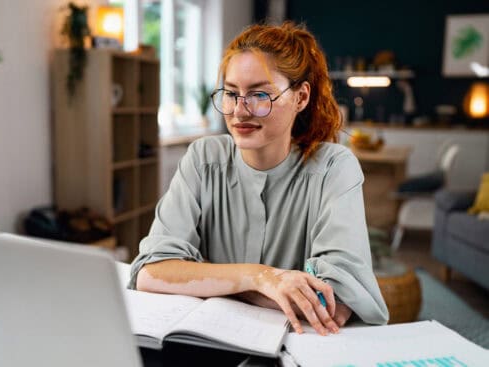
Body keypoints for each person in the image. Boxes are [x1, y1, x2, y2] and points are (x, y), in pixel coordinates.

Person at [129, 22, 389, 335]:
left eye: (259, 94)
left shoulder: (334, 167)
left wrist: (206, 280)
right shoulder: (203, 158)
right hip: (210, 342)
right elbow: (150, 273)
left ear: (300, 97)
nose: (239, 111)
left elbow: (333, 303)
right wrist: (262, 278)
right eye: (231, 93)